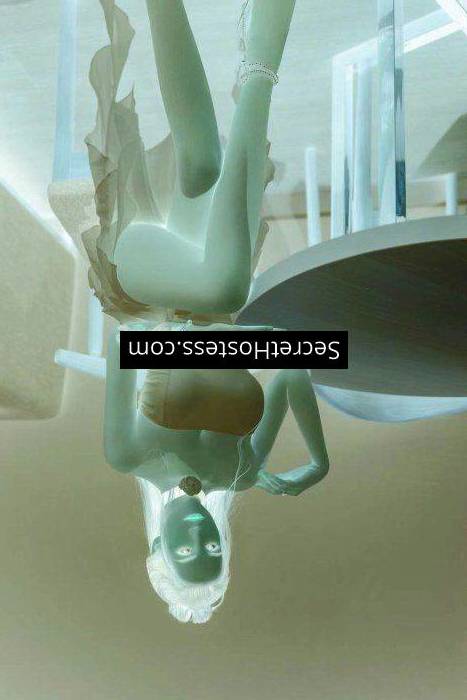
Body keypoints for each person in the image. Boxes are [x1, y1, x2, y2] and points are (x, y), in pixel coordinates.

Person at [83, 0, 296, 323]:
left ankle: (261, 60)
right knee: (201, 167)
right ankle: (260, 52)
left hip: (150, 290)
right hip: (185, 284)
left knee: (224, 286)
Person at [105, 326, 329, 623]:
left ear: (159, 547)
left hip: (180, 316)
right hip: (244, 326)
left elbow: (122, 341)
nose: (198, 534)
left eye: (185, 550)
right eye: (212, 547)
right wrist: (319, 464)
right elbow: (293, 371)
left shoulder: (128, 458)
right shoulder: (242, 474)